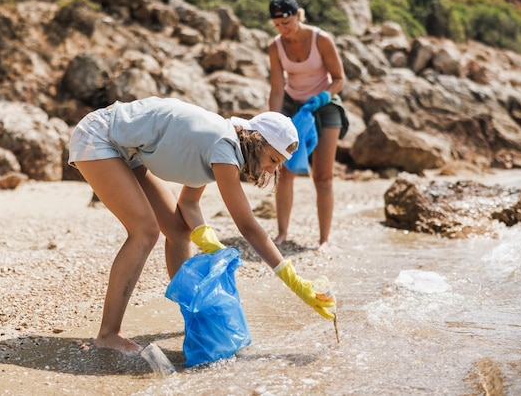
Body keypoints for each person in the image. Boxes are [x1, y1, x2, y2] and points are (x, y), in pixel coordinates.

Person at [68, 96, 336, 355]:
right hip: (98, 136)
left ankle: (192, 314)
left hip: (127, 148)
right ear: (258, 141)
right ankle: (108, 334)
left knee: (178, 231)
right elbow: (248, 226)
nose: (269, 171)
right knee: (145, 232)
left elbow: (189, 205)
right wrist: (295, 282)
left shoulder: (223, 147)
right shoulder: (224, 146)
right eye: (273, 160)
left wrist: (210, 244)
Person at [267, 0, 349, 254]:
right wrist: (273, 123)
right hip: (293, 106)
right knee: (285, 171)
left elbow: (339, 78)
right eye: (277, 25)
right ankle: (281, 234)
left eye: (287, 22)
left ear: (298, 15)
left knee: (323, 177)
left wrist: (323, 97)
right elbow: (278, 89)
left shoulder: (321, 39)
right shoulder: (275, 47)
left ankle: (324, 239)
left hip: (324, 105)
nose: (283, 29)